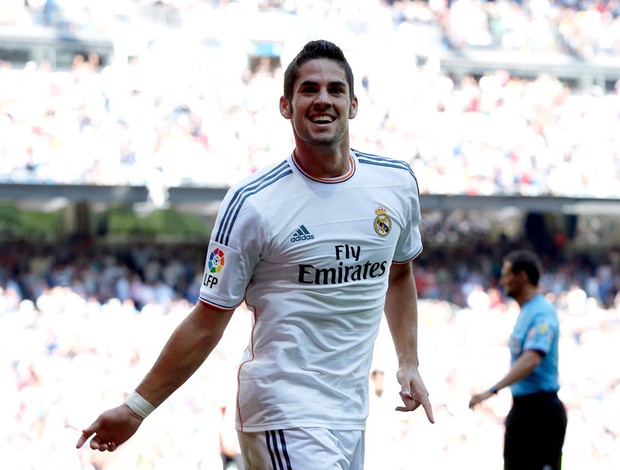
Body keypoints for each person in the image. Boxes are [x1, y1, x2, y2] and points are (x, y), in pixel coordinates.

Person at [75, 39, 434, 469]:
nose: (323, 100)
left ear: (353, 104)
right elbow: (206, 322)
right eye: (309, 90)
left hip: (351, 417)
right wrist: (136, 408)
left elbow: (398, 274)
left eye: (335, 90)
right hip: (281, 413)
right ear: (286, 106)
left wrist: (408, 362)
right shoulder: (252, 203)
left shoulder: (395, 183)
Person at [469, 249, 567, 470]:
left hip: (541, 413)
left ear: (521, 277)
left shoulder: (541, 313)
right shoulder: (526, 311)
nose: (502, 281)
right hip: (525, 409)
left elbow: (532, 358)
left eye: (506, 275)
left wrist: (492, 390)